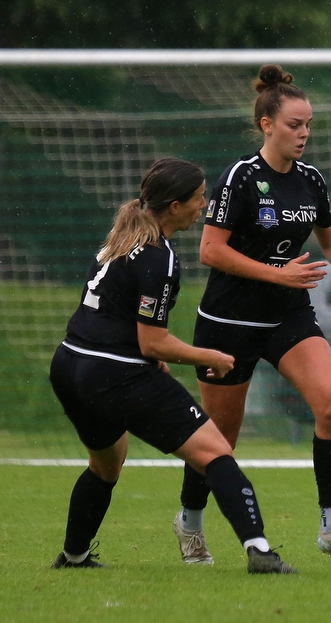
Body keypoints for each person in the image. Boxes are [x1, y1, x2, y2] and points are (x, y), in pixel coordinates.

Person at [173, 64, 331, 565]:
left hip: (287, 318)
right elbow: (210, 250)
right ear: (267, 124)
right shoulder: (241, 177)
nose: (304, 134)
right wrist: (277, 273)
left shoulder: (311, 180)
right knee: (220, 437)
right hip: (228, 323)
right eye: (295, 124)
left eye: (309, 124)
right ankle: (189, 521)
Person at [48, 157, 296, 574]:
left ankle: (73, 557)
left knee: (106, 464)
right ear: (175, 205)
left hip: (70, 364)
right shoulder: (159, 257)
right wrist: (209, 356)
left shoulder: (120, 239)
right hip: (114, 373)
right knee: (216, 452)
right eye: (199, 198)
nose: (205, 205)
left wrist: (147, 357)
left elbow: (115, 316)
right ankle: (260, 552)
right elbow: (154, 340)